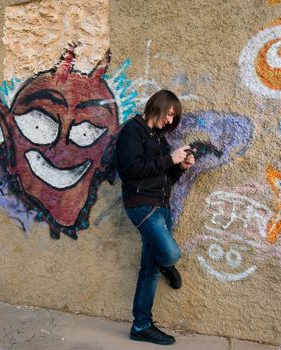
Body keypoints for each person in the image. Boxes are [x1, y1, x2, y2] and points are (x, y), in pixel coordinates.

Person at [115, 89, 195, 345]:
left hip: (161, 206)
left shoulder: (158, 139)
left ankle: (141, 326)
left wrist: (179, 168)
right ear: (157, 106)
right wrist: (168, 159)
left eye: (174, 117)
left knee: (149, 270)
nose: (170, 121)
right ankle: (167, 265)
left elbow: (163, 177)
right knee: (169, 254)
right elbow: (131, 170)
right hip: (141, 206)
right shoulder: (132, 131)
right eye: (170, 114)